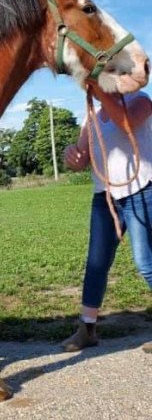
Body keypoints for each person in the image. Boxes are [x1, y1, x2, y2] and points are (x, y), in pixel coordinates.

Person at [62, 89, 152, 353]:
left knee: (145, 262)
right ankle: (86, 330)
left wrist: (101, 91)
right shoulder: (90, 118)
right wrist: (73, 156)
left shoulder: (141, 100)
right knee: (96, 265)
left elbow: (126, 122)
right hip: (105, 199)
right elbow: (81, 158)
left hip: (142, 191)